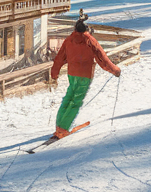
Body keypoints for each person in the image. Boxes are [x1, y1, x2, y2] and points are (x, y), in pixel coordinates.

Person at [49, 11, 121, 139]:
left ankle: (59, 125)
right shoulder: (89, 40)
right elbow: (102, 58)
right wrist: (115, 70)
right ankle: (64, 128)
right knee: (76, 101)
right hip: (85, 75)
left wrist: (54, 74)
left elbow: (59, 58)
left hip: (72, 74)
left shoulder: (69, 40)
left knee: (68, 97)